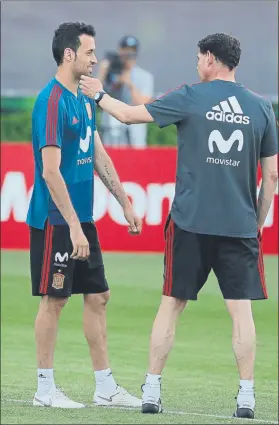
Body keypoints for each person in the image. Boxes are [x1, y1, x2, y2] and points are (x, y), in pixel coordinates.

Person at [79, 33, 278, 418]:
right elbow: (270, 177)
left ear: (211, 59)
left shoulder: (191, 95)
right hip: (239, 226)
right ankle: (247, 396)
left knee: (171, 305)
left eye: (199, 55)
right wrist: (258, 222)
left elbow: (128, 114)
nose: (196, 63)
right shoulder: (261, 107)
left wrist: (99, 94)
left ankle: (151, 390)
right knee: (241, 312)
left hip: (190, 222)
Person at [26, 22, 143, 409]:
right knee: (54, 300)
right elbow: (49, 171)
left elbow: (97, 154)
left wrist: (124, 200)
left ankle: (105, 387)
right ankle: (45, 390)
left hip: (81, 220)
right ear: (69, 54)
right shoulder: (52, 100)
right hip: (56, 220)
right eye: (90, 52)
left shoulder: (84, 97)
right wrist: (74, 226)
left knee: (99, 296)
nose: (96, 59)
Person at [97, 35, 154, 147]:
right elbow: (93, 96)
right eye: (125, 51)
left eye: (132, 53)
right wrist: (103, 73)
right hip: (110, 131)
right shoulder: (110, 73)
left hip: (134, 134)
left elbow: (144, 106)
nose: (128, 56)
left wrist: (129, 84)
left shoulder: (144, 76)